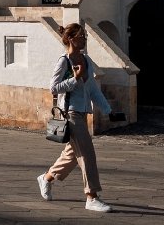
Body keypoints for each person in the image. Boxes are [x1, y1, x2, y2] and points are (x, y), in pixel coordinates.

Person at [38, 22, 115, 213]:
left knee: (72, 155)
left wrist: (107, 109)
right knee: (87, 153)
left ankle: (46, 177)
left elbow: (92, 89)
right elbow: (53, 87)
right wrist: (75, 78)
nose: (84, 40)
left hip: (82, 112)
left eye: (85, 37)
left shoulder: (86, 60)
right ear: (71, 39)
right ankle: (91, 196)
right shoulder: (64, 61)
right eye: (82, 37)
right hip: (70, 113)